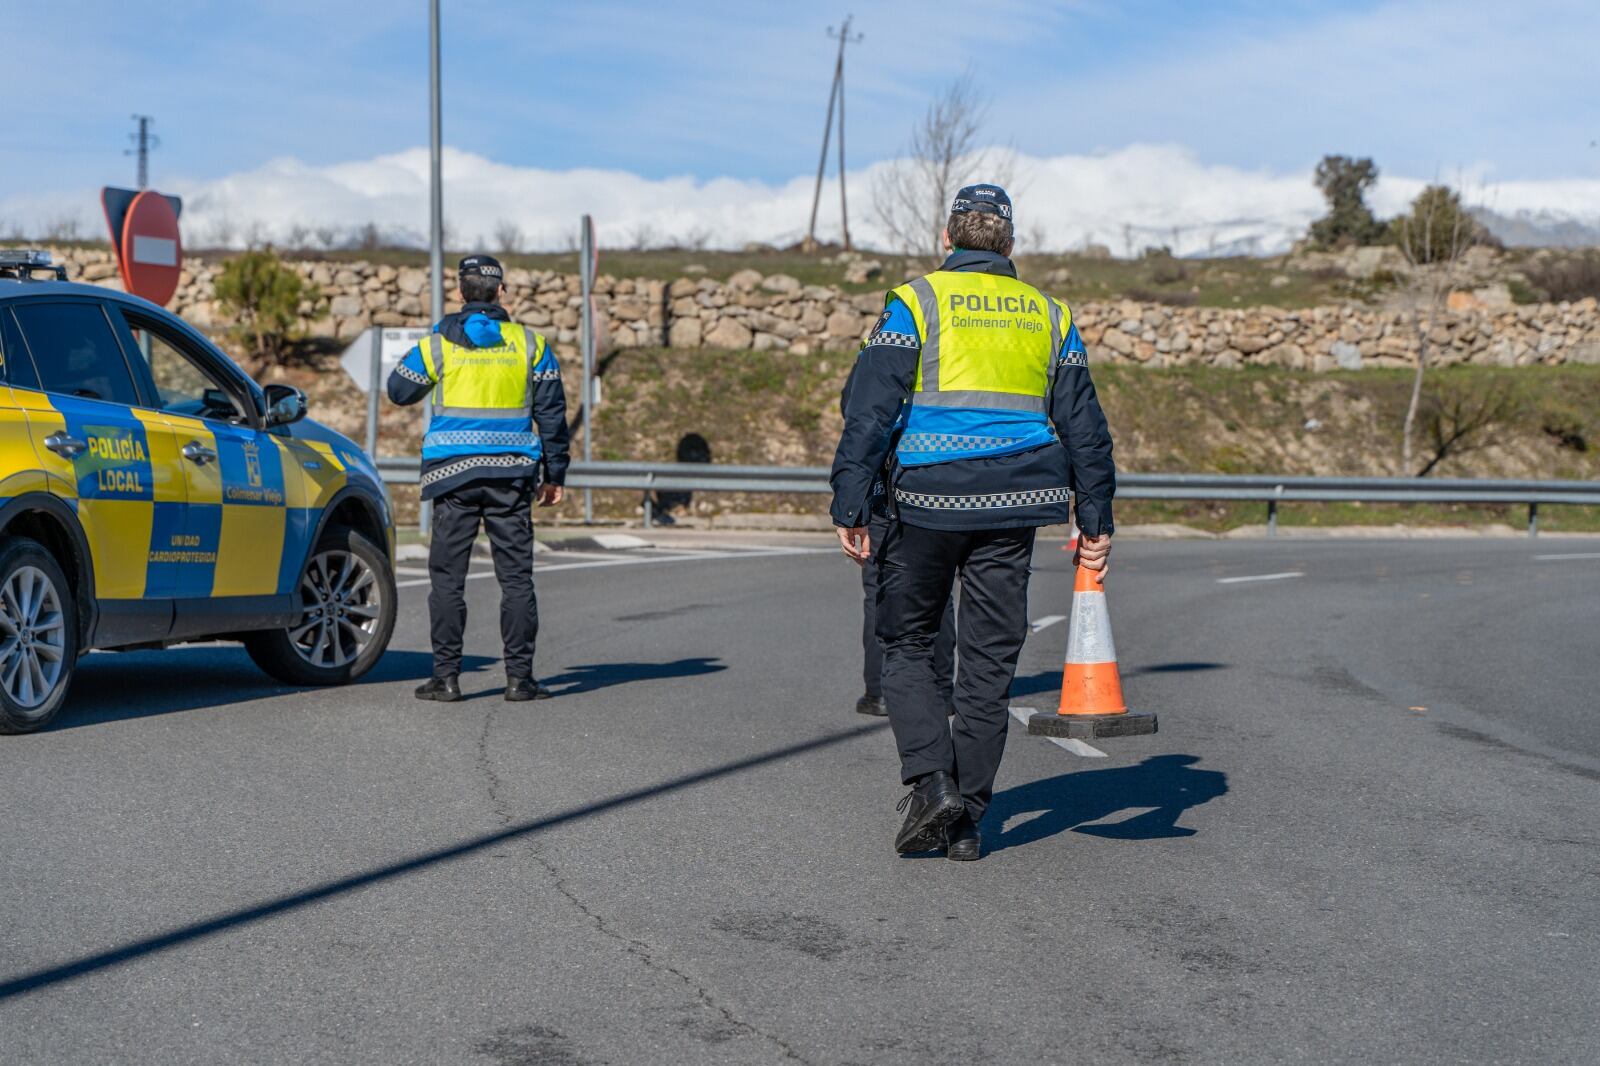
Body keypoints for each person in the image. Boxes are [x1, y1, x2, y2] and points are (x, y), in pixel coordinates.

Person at [829, 184, 1116, 861]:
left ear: (948, 238)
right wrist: (1095, 512)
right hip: (1013, 506)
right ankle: (968, 823)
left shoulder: (916, 301)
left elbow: (870, 406)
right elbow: (1084, 424)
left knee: (907, 645)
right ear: (1010, 244)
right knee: (988, 666)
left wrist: (849, 500)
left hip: (924, 499)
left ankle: (932, 784)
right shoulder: (1050, 314)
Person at [387, 255, 570, 703]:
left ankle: (446, 679)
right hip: (512, 477)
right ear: (501, 292)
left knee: (448, 580)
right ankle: (519, 680)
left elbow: (398, 390)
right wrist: (555, 473)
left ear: (460, 292)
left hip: (453, 479)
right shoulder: (531, 344)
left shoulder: (439, 344)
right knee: (516, 580)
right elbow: (551, 414)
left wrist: (436, 339)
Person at [838, 358, 957, 719]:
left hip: (884, 485)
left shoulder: (880, 350)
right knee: (938, 590)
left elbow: (855, 414)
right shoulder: (945, 351)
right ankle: (938, 687)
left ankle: (880, 691)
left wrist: (850, 499)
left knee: (879, 590)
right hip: (935, 482)